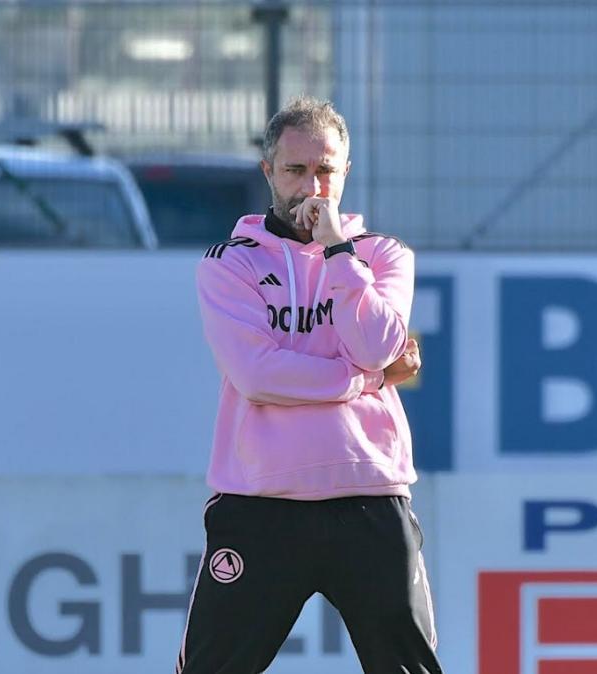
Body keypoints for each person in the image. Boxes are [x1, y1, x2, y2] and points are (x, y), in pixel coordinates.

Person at [179, 96, 443, 674]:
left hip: (370, 497)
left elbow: (376, 343)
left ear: (345, 171)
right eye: (295, 170)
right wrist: (370, 380)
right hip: (261, 505)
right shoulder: (231, 264)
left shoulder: (382, 254)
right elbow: (258, 376)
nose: (311, 187)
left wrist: (338, 251)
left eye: (325, 171)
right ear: (268, 171)